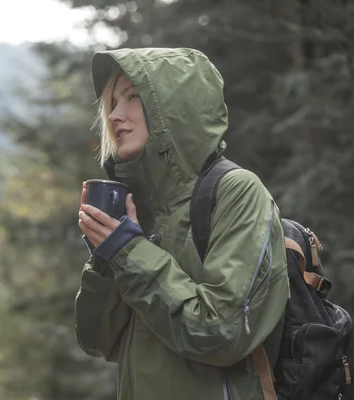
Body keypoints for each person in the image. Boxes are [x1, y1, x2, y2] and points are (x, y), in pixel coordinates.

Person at [75, 47, 289, 400]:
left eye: (132, 97)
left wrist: (129, 252)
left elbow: (222, 332)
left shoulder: (236, 191)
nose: (114, 115)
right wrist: (105, 256)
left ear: (174, 107)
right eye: (112, 102)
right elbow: (98, 340)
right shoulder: (141, 208)